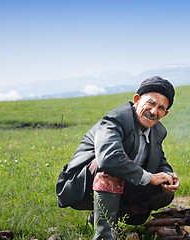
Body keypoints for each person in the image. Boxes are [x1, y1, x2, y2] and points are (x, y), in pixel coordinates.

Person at [67, 76, 180, 239]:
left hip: (125, 182)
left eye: (161, 108)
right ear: (137, 100)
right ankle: (104, 235)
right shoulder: (116, 119)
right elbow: (108, 159)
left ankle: (108, 215)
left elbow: (159, 159)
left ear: (165, 113)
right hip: (81, 182)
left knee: (163, 188)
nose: (154, 111)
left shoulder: (158, 131)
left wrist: (168, 175)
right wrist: (149, 178)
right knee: (110, 168)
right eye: (151, 103)